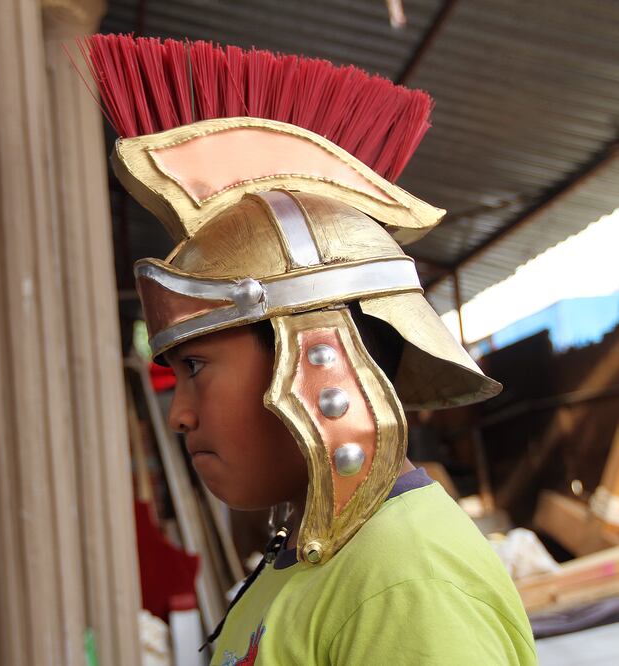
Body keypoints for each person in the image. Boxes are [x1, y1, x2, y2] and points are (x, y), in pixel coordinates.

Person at [80, 35, 537, 664]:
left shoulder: (404, 582)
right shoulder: (315, 550)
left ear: (321, 359)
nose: (178, 414)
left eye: (195, 367)